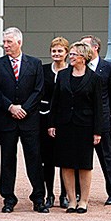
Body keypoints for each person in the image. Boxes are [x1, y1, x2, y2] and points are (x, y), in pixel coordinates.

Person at [0, 27, 49, 213]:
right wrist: (10, 107)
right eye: (4, 42)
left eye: (9, 42)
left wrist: (24, 108)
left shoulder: (35, 63)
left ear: (19, 42)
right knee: (7, 160)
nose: (6, 45)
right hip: (7, 119)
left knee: (34, 158)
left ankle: (39, 198)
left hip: (29, 120)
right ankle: (8, 198)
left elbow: (39, 90)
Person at [48, 42, 103, 213]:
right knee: (66, 163)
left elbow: (98, 108)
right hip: (65, 125)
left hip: (85, 126)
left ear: (83, 57)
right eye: (70, 54)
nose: (70, 57)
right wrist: (51, 123)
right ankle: (71, 200)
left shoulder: (94, 78)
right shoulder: (63, 75)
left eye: (74, 54)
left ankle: (83, 201)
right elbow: (55, 102)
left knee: (85, 164)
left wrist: (97, 131)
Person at [80, 35, 111, 206]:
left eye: (84, 46)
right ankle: (77, 193)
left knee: (107, 157)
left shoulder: (109, 68)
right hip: (81, 120)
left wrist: (103, 113)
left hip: (101, 121)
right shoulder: (79, 66)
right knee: (79, 158)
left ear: (95, 48)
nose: (81, 50)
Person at [40, 37, 69, 208]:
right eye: (54, 51)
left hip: (65, 120)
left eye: (60, 51)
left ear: (66, 53)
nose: (56, 54)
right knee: (47, 159)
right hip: (45, 118)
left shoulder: (72, 71)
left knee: (65, 159)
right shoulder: (43, 70)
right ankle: (49, 194)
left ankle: (64, 195)